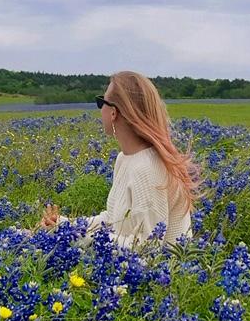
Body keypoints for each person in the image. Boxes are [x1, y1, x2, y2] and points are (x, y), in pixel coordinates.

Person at [38, 71, 199, 249]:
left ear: (114, 112)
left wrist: (80, 238)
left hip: (162, 273)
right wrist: (66, 226)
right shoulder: (125, 159)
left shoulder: (147, 168)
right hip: (125, 267)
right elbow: (113, 220)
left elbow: (147, 248)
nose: (100, 110)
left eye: (102, 102)